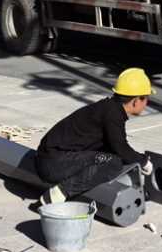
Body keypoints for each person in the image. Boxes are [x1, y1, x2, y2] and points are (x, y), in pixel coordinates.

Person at [35, 68, 154, 206]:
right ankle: (59, 194)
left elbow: (115, 147)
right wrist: (143, 161)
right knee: (113, 163)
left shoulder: (107, 108)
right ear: (135, 101)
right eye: (146, 99)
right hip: (53, 163)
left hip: (49, 159)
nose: (146, 104)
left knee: (109, 156)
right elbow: (120, 147)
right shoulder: (112, 115)